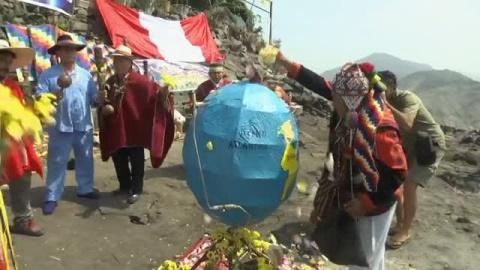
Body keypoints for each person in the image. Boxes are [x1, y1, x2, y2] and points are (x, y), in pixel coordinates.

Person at [274, 52, 408, 270]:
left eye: (335, 95)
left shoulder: (379, 128)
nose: (331, 98)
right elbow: (319, 85)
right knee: (369, 253)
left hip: (377, 201)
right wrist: (287, 63)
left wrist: (367, 202)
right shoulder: (351, 107)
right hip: (355, 191)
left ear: (349, 98)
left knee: (365, 257)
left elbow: (396, 173)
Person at [98, 45, 174, 204]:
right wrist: (104, 106)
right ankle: (124, 186)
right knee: (118, 158)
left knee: (136, 160)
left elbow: (155, 93)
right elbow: (103, 101)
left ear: (130, 63)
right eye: (116, 61)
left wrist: (163, 94)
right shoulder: (110, 82)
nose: (119, 64)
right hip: (117, 128)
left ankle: (136, 189)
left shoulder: (139, 81)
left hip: (135, 127)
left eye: (122, 61)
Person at [378, 71, 446, 249]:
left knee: (410, 183)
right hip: (410, 145)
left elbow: (407, 123)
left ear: (393, 87)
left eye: (383, 88)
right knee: (396, 180)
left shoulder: (408, 98)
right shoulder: (384, 100)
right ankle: (399, 224)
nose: (380, 91)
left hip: (430, 143)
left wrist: (385, 104)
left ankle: (405, 231)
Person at [36, 35, 103, 215]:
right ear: (57, 53)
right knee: (57, 162)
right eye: (65, 49)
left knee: (86, 159)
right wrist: (54, 94)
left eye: (72, 49)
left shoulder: (85, 74)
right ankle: (52, 195)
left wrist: (100, 98)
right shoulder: (48, 75)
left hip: (83, 125)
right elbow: (39, 98)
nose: (70, 52)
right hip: (60, 127)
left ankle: (85, 188)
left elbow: (93, 99)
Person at [0, 39, 44, 236]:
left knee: (22, 174)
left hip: (13, 142)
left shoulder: (12, 85)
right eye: (2, 60)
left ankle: (22, 218)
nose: (5, 65)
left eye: (8, 61)